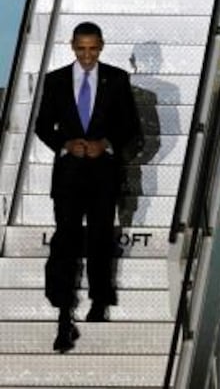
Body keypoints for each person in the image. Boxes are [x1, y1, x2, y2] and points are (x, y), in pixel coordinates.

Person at [35, 22, 143, 353]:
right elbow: (42, 125)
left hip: (103, 175)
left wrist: (106, 144)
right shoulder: (54, 80)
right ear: (72, 46)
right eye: (81, 48)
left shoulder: (117, 79)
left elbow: (131, 127)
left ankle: (99, 301)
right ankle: (64, 309)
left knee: (99, 237)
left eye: (92, 48)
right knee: (65, 238)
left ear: (101, 46)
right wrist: (65, 143)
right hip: (67, 175)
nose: (86, 55)